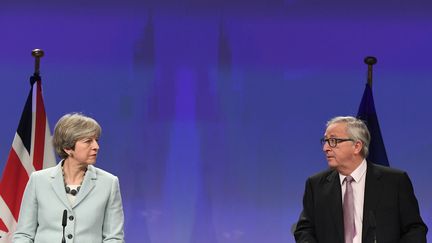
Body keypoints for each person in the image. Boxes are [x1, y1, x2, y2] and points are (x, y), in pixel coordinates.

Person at [294, 116, 427, 243]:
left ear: (357, 146)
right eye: (325, 141)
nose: (325, 148)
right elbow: (304, 230)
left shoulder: (395, 181)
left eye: (333, 141)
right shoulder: (316, 184)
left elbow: (415, 230)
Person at [13, 113, 124, 243]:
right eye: (88, 141)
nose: (96, 147)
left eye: (96, 140)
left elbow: (114, 238)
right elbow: (24, 235)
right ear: (67, 148)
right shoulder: (38, 180)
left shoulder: (109, 183)